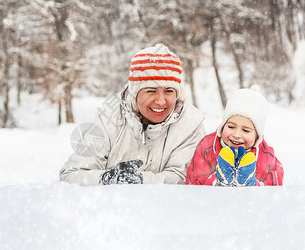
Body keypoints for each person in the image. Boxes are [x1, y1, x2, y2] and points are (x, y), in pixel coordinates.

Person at [60, 44, 206, 185]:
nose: (161, 101)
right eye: (151, 90)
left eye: (169, 91)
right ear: (134, 93)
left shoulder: (190, 124)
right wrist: (107, 179)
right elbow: (72, 174)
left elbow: (185, 180)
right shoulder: (110, 117)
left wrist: (139, 180)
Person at [186, 86, 283, 186]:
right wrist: (217, 180)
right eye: (231, 127)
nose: (236, 135)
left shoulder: (266, 157)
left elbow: (273, 192)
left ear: (257, 135)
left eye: (245, 130)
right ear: (223, 126)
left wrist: (253, 185)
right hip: (212, 201)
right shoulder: (207, 147)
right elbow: (193, 186)